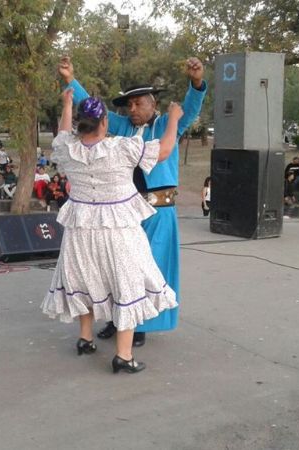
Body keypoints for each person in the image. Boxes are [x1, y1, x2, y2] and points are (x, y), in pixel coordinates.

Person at [59, 55, 207, 346]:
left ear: (154, 104)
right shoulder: (123, 126)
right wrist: (69, 79)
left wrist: (197, 81)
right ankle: (118, 322)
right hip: (124, 214)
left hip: (159, 211)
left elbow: (189, 109)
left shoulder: (168, 126)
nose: (133, 109)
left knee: (149, 269)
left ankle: (139, 325)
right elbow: (93, 107)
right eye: (129, 104)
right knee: (117, 267)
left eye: (139, 103)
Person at [41, 91, 182, 374]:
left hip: (80, 230)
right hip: (119, 230)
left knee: (85, 278)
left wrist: (67, 104)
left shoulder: (67, 148)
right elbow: (164, 150)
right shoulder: (122, 148)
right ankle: (124, 355)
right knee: (126, 282)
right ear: (104, 122)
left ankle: (85, 338)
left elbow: (63, 130)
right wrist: (174, 120)